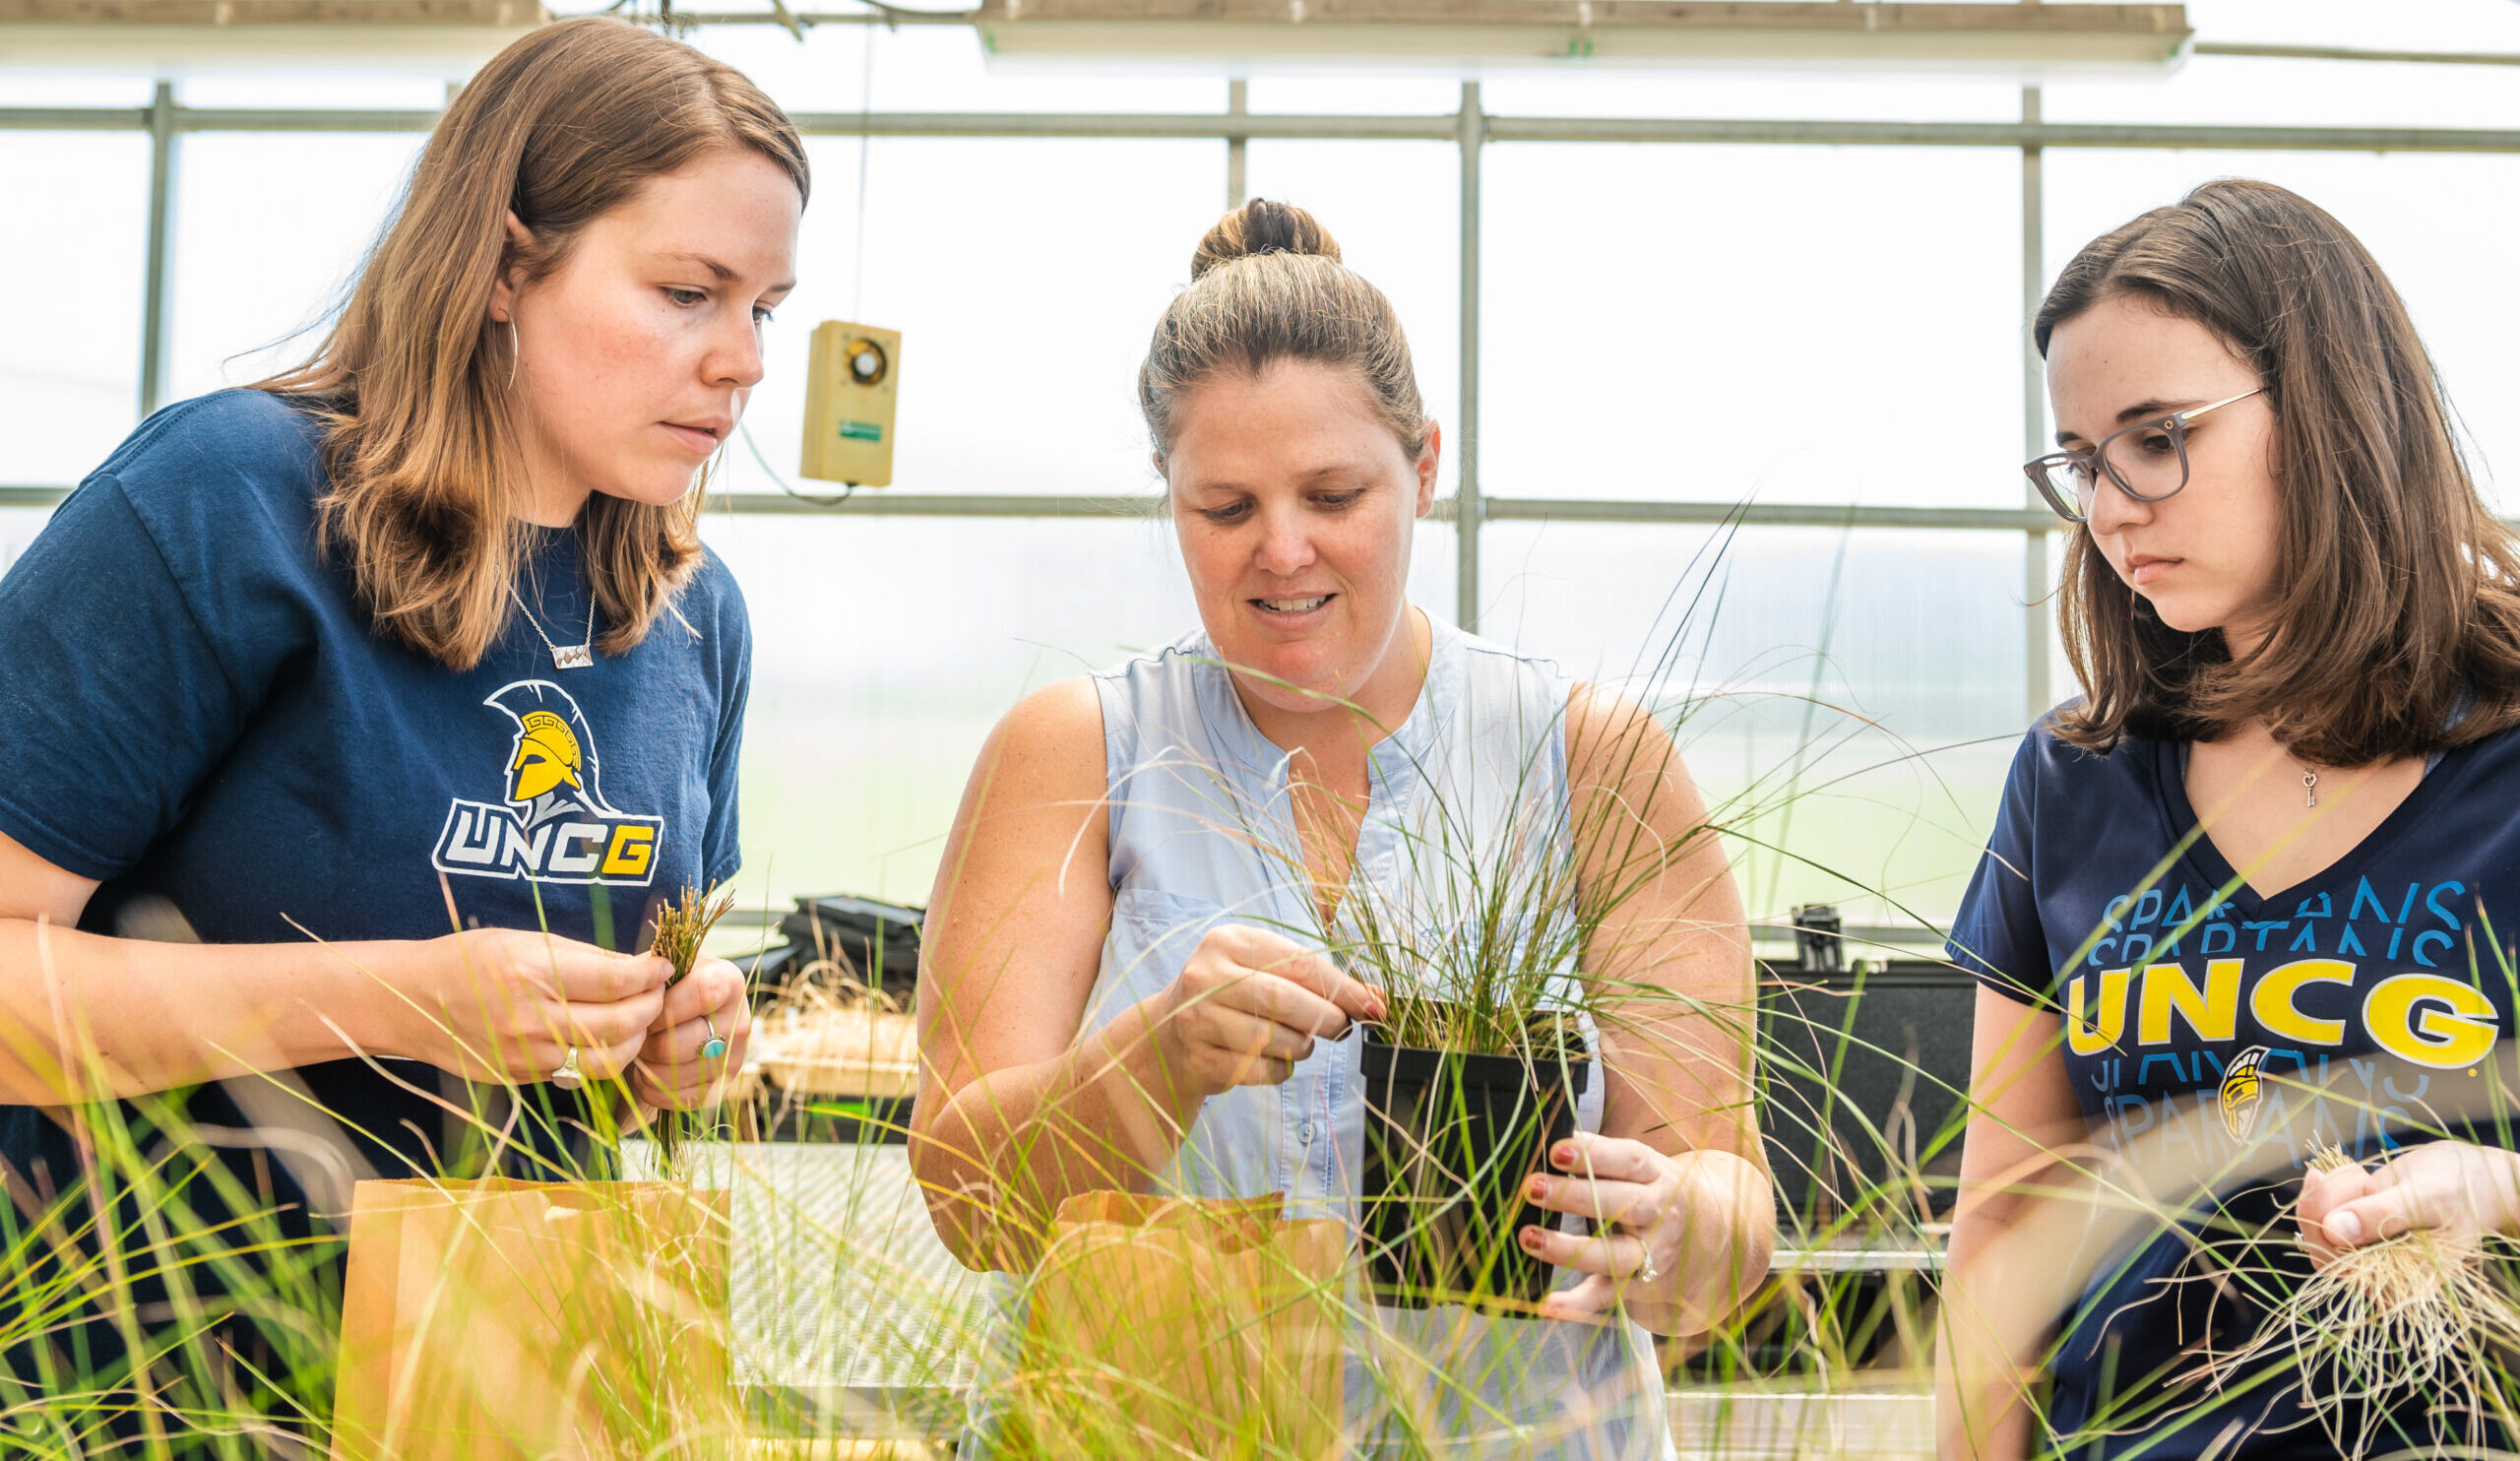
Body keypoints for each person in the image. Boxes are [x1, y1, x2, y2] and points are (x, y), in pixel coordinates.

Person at [0, 17, 792, 1436]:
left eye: (766, 310)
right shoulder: (229, 500)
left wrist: (679, 1052)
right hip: (155, 1393)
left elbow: (602, 1082)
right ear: (502, 265)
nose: (742, 362)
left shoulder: (691, 614)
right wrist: (406, 998)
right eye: (689, 291)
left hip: (501, 1390)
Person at [910, 199, 1775, 1458]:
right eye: (1224, 506)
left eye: (1332, 492)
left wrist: (1683, 1220)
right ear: (1170, 497)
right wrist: (1153, 1057)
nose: (1283, 548)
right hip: (1163, 1430)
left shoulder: (1590, 754)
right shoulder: (1072, 750)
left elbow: (1725, 1210)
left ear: (1423, 466)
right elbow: (967, 1202)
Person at [1939, 177, 2520, 1460]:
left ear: (2329, 408)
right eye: (2081, 463)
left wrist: (2499, 1188)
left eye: (2156, 438)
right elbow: (2005, 1231)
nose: (2111, 509)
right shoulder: (2073, 781)